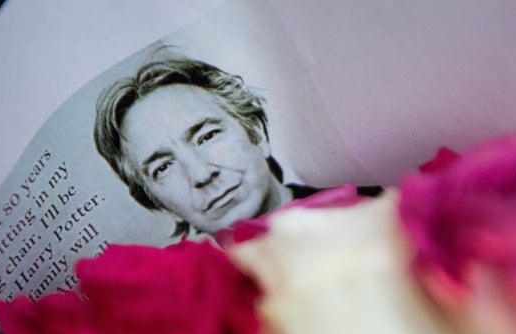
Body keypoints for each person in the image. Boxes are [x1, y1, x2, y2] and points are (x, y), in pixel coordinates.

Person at [93, 56, 377, 236]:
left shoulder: (381, 213)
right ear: (162, 206)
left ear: (256, 133)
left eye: (206, 136)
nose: (201, 175)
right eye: (163, 167)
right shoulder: (189, 318)